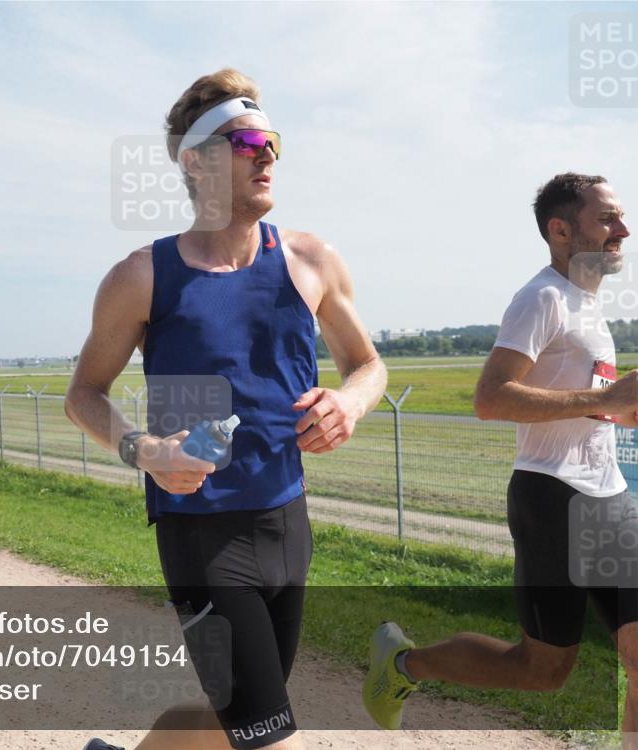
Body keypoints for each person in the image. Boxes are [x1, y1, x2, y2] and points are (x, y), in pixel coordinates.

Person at [66, 69, 386, 750]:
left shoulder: (310, 260)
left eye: (272, 141)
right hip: (199, 532)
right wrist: (145, 452)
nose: (267, 154)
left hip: (286, 522)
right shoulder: (142, 277)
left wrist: (349, 403)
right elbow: (83, 394)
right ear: (197, 162)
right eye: (246, 141)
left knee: (229, 723)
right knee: (269, 737)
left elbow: (368, 366)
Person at [363, 174, 638, 745]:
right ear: (561, 230)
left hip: (609, 496)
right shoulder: (541, 298)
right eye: (607, 219)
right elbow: (490, 399)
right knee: (542, 670)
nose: (624, 230)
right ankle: (406, 665)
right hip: (554, 497)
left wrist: (617, 410)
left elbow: (586, 401)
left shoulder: (589, 303)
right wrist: (605, 400)